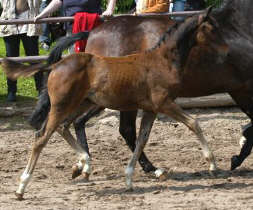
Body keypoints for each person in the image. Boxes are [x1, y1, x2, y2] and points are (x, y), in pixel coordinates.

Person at [0, 0, 43, 102]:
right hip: (9, 23)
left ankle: (41, 89)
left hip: (30, 23)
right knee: (11, 59)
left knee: (33, 58)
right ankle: (11, 91)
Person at [34, 0, 117, 53]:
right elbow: (57, 1)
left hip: (94, 28)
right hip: (72, 28)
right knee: (75, 59)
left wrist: (109, 9)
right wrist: (42, 14)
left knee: (94, 57)